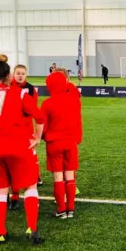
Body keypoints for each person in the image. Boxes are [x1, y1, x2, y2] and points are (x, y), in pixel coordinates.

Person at [0, 54, 45, 245]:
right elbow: (39, 116)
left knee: (0, 191)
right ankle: (31, 228)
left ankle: (1, 233)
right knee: (30, 186)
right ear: (8, 77)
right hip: (19, 147)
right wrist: (37, 138)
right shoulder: (20, 93)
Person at [41, 71, 82, 218]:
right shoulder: (73, 100)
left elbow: (43, 126)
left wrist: (43, 137)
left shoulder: (47, 104)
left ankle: (61, 209)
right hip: (71, 142)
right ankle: (71, 208)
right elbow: (78, 120)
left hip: (54, 143)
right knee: (70, 177)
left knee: (58, 178)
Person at [9, 64, 42, 210]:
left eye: (23, 73)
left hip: (27, 127)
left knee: (30, 156)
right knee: (13, 161)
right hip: (12, 128)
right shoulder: (8, 87)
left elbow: (33, 108)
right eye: (18, 73)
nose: (20, 75)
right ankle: (14, 195)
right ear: (13, 75)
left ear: (26, 75)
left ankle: (34, 182)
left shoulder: (30, 88)